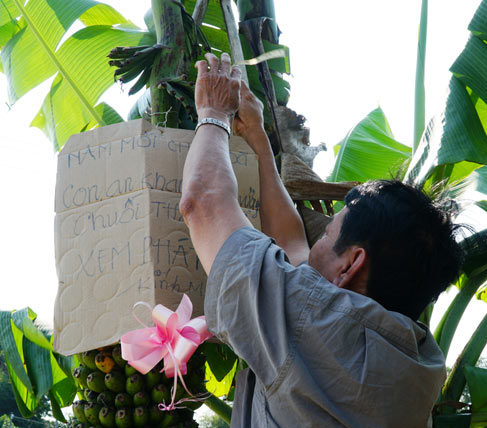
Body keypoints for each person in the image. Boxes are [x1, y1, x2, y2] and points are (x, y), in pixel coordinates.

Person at [180, 52, 464, 428]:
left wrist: (212, 114)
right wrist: (259, 141)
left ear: (350, 265)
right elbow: (292, 245)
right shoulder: (416, 365)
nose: (319, 237)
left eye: (328, 233)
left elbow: (202, 202)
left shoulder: (309, 323)